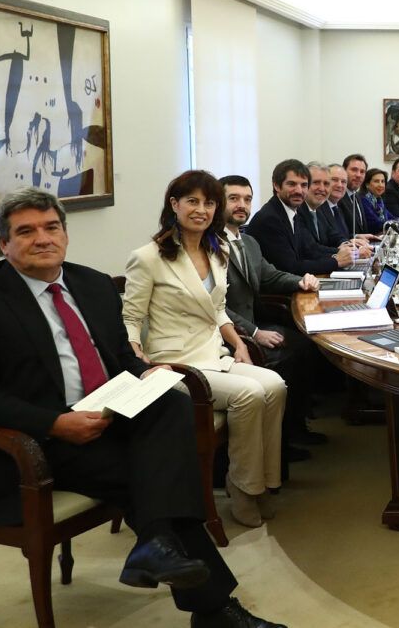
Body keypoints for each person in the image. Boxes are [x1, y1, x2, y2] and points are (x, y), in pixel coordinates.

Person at [0, 188, 285, 628]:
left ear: (65, 234)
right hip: (40, 438)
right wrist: (55, 423)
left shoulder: (90, 284)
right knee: (158, 476)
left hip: (108, 414)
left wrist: (146, 375)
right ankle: (212, 608)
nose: (43, 239)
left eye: (51, 227)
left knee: (173, 404)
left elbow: (122, 358)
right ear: (4, 244)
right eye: (26, 232)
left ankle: (157, 545)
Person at [122, 171, 287, 530]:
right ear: (174, 205)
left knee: (275, 385)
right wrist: (138, 360)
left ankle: (264, 482)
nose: (201, 210)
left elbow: (217, 309)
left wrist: (239, 344)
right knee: (248, 394)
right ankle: (243, 488)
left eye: (209, 203)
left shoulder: (217, 250)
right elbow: (131, 317)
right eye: (192, 201)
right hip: (174, 364)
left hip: (214, 354)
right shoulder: (148, 257)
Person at [220, 174, 326, 451]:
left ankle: (295, 428)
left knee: (306, 344)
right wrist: (255, 332)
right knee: (291, 354)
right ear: (217, 202)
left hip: (251, 324)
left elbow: (270, 275)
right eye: (233, 199)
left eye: (247, 199)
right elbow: (215, 306)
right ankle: (282, 442)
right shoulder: (209, 246)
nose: (242, 205)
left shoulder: (248, 242)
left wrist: (301, 281)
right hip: (227, 335)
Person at [245, 160, 354, 276]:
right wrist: (336, 261)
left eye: (304, 185)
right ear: (276, 186)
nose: (299, 191)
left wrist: (343, 253)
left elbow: (309, 249)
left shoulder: (291, 212)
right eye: (292, 184)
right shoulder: (270, 219)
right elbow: (290, 268)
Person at [300, 163, 346, 249]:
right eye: (316, 182)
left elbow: (333, 236)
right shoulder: (297, 211)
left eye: (326, 184)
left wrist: (348, 245)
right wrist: (342, 252)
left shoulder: (317, 209)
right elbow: (310, 249)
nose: (322, 188)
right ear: (304, 185)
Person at [337, 153, 369, 235]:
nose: (358, 175)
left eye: (362, 172)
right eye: (354, 170)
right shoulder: (337, 197)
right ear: (344, 171)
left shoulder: (357, 195)